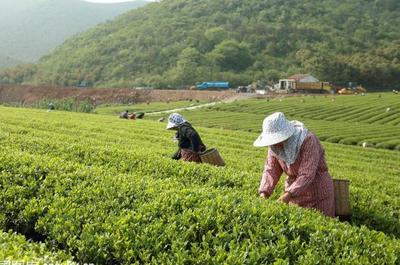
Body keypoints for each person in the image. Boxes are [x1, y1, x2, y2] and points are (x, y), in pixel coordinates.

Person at [254, 112, 335, 217]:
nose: (274, 143)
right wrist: (264, 192)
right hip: (294, 195)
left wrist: (288, 194)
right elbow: (271, 169)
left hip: (318, 194)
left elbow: (307, 174)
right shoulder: (274, 147)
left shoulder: (307, 140)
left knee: (320, 227)